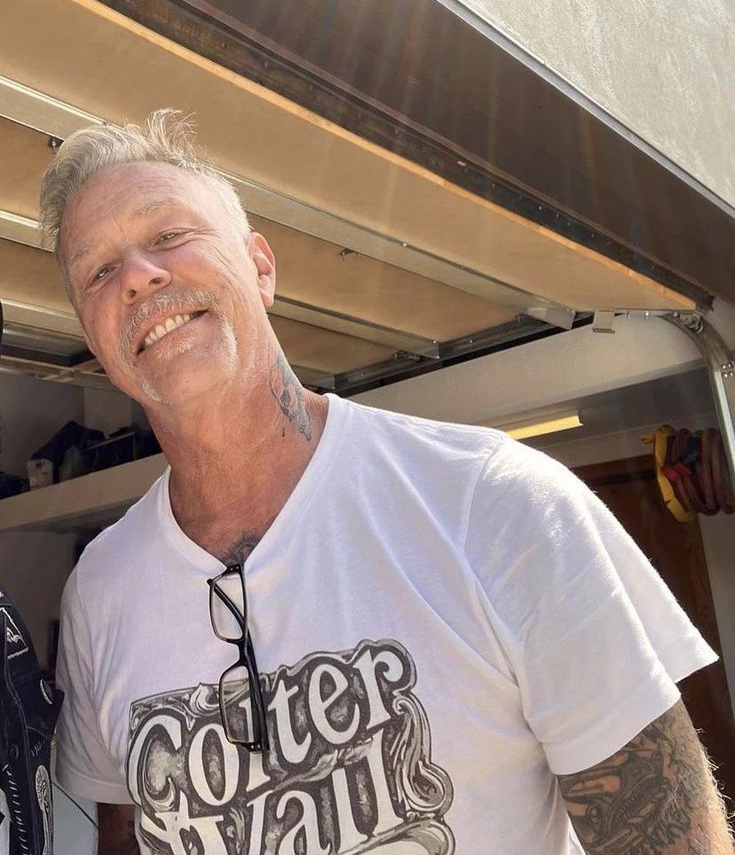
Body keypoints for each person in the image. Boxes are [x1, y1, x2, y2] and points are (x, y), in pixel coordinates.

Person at [40, 111, 733, 855]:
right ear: (95, 339)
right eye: (100, 271)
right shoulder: (100, 589)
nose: (140, 275)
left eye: (171, 235)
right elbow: (127, 836)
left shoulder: (495, 501)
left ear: (262, 268)